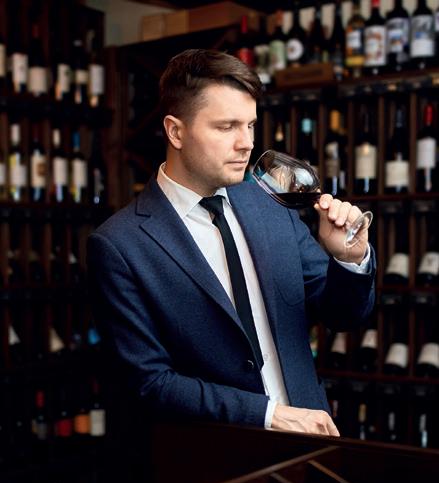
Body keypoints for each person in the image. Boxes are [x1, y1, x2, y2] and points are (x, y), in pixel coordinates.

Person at [87, 48, 376, 439]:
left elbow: (344, 316)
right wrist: (268, 415)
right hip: (214, 455)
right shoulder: (119, 245)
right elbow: (149, 382)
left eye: (251, 125)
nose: (246, 143)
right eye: (227, 127)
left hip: (310, 440)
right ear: (175, 132)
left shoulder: (271, 203)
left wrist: (349, 260)